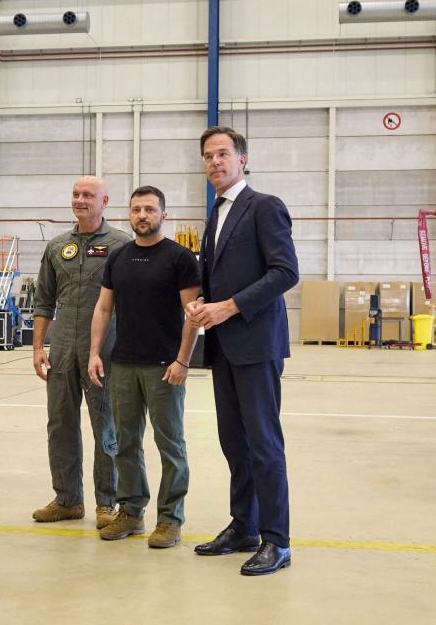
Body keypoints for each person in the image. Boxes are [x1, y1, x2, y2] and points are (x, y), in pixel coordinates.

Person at [187, 127, 299, 575]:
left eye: (223, 154)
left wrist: (230, 306)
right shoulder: (216, 214)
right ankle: (244, 526)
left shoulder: (264, 206)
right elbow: (220, 275)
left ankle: (278, 540)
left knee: (264, 444)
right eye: (208, 156)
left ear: (243, 159)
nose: (215, 162)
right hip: (225, 347)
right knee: (234, 442)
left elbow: (285, 271)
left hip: (255, 343)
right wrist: (203, 302)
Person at [87, 186, 201, 549]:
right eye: (136, 209)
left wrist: (183, 360)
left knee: (170, 444)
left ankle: (170, 519)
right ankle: (132, 512)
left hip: (165, 367)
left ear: (163, 215)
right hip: (123, 365)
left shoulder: (180, 259)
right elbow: (104, 308)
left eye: (149, 209)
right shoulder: (118, 258)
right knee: (125, 443)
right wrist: (94, 353)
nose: (142, 216)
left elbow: (192, 315)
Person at [32, 176, 132, 529]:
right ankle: (67, 499)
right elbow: (43, 300)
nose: (80, 200)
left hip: (103, 352)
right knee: (60, 424)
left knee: (105, 427)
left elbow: (133, 302)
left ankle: (107, 503)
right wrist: (39, 348)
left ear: (105, 201)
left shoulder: (122, 244)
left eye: (88, 195)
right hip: (62, 349)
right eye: (75, 194)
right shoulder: (58, 247)